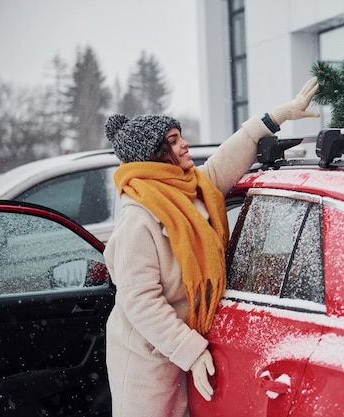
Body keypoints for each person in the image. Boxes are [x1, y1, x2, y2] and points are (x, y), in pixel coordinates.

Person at [103, 77, 319, 417]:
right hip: (150, 356)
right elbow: (140, 301)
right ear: (155, 156)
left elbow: (224, 161)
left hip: (190, 340)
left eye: (181, 137)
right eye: (174, 142)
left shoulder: (190, 190)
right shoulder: (139, 221)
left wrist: (274, 117)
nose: (186, 145)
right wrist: (190, 350)